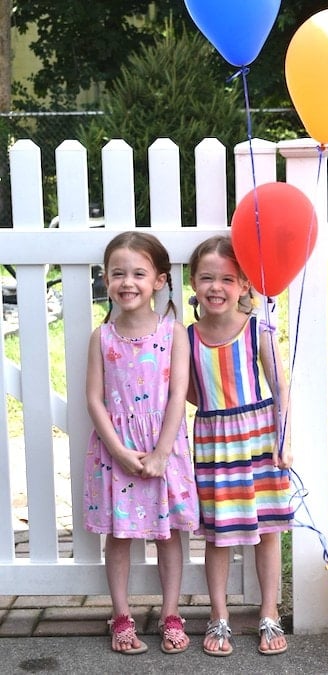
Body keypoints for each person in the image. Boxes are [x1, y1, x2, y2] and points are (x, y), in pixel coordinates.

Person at [83, 231, 199, 656]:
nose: (126, 282)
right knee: (119, 535)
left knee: (167, 536)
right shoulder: (102, 337)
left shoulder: (174, 334)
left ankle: (171, 614)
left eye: (138, 273)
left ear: (159, 280)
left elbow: (177, 394)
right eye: (117, 273)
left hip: (162, 447)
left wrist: (162, 452)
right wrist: (118, 450)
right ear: (106, 279)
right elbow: (94, 397)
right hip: (117, 451)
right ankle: (121, 616)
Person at [187, 234, 294, 657]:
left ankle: (270, 613)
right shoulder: (187, 338)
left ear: (245, 285)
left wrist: (284, 439)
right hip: (215, 443)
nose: (216, 287)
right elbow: (189, 391)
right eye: (207, 278)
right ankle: (219, 616)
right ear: (193, 282)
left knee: (267, 533)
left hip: (259, 440)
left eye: (227, 279)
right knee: (219, 535)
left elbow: (280, 387)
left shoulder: (257, 331)